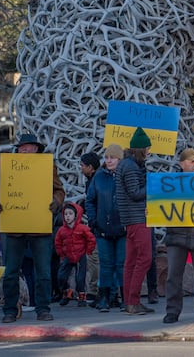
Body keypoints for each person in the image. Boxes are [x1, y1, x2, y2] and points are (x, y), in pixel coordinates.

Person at [0, 133, 65, 323]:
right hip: (15, 225)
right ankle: (10, 310)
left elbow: (59, 190)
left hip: (40, 224)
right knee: (11, 271)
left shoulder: (47, 166)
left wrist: (56, 202)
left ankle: (43, 308)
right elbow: (1, 190)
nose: (24, 150)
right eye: (21, 147)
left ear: (36, 149)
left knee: (43, 271)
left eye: (28, 147)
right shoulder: (10, 166)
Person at [162, 147, 194, 324]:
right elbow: (160, 206)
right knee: (173, 276)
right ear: (181, 164)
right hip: (176, 236)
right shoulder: (169, 183)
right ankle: (172, 311)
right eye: (192, 161)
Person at [116, 127, 154, 315]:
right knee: (145, 259)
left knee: (130, 261)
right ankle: (133, 301)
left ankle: (130, 302)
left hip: (130, 219)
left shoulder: (128, 164)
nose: (149, 152)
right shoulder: (130, 167)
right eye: (147, 148)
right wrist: (151, 185)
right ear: (140, 149)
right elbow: (135, 193)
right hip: (138, 218)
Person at [85, 144, 126, 312]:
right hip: (103, 228)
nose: (109, 160)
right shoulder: (99, 177)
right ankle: (104, 299)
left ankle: (124, 298)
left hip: (122, 228)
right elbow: (90, 200)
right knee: (106, 264)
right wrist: (94, 221)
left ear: (120, 159)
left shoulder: (125, 175)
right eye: (107, 157)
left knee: (121, 264)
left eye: (113, 157)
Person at [55, 202, 96, 307]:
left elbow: (91, 239)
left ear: (76, 215)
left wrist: (88, 251)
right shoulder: (62, 230)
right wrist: (61, 253)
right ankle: (67, 293)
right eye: (66, 214)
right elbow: (58, 242)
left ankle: (81, 297)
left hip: (80, 256)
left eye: (70, 214)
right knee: (61, 277)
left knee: (80, 278)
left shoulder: (82, 228)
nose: (68, 216)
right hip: (67, 256)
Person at [79, 152, 101, 306]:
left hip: (99, 226)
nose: (80, 168)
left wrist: (93, 221)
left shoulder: (97, 182)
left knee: (94, 259)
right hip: (97, 225)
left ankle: (95, 292)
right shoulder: (92, 181)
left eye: (82, 165)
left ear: (90, 168)